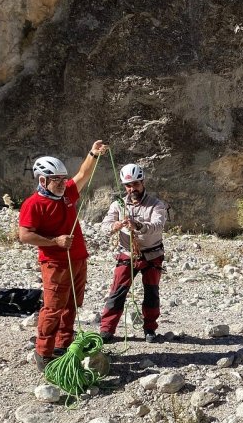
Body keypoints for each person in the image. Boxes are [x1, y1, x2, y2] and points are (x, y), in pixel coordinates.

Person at [18, 141, 108, 371]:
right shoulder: (33, 204)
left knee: (73, 305)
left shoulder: (66, 192)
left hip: (78, 259)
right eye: (55, 179)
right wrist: (54, 242)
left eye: (61, 178)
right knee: (53, 307)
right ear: (42, 180)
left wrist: (93, 153)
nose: (61, 183)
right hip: (55, 263)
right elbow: (25, 235)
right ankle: (44, 352)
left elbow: (83, 174)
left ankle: (63, 344)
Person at [99, 163, 169, 343]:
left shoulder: (156, 205)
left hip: (152, 255)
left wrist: (137, 225)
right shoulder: (118, 205)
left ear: (143, 182)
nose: (132, 189)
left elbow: (157, 226)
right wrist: (116, 226)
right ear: (124, 186)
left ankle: (150, 329)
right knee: (117, 292)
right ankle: (107, 330)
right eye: (128, 186)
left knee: (151, 292)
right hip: (128, 254)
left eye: (136, 184)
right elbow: (104, 227)